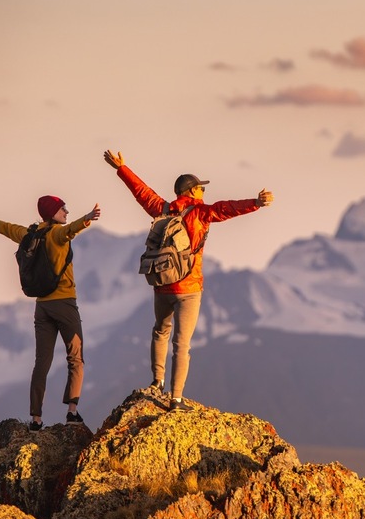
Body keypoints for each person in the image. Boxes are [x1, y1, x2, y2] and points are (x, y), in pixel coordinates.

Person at [103, 150, 273, 411]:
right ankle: (176, 399)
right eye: (200, 189)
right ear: (192, 192)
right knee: (182, 344)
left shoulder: (162, 209)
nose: (203, 193)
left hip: (163, 284)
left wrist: (122, 168)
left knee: (160, 330)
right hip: (189, 288)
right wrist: (256, 203)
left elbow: (141, 191)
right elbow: (227, 208)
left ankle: (156, 383)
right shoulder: (201, 213)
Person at [0, 196, 100, 430]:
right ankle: (72, 412)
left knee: (41, 363)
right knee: (75, 358)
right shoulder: (57, 234)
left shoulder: (30, 234)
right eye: (61, 208)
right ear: (52, 213)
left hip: (41, 306)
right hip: (64, 303)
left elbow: (5, 228)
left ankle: (36, 418)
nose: (66, 211)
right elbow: (71, 229)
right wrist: (86, 219)